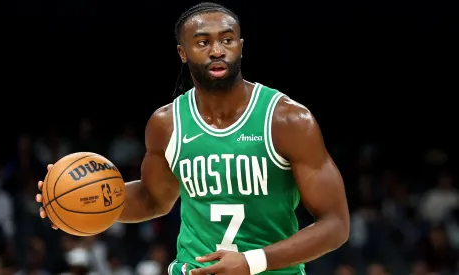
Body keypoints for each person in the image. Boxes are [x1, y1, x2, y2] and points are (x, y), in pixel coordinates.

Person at [35, 2, 350, 275]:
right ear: (182, 53)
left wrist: (252, 262)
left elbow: (336, 224)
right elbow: (153, 199)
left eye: (227, 40)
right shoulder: (166, 124)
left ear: (240, 46)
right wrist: (71, 202)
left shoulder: (288, 120)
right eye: (203, 42)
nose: (217, 50)